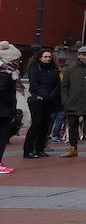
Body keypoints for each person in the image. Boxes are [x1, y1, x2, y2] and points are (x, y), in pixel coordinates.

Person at [23, 48, 59, 158]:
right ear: (40, 57)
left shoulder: (54, 69)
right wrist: (45, 95)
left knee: (45, 125)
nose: (48, 59)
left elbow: (57, 84)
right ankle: (28, 150)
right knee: (36, 123)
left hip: (49, 101)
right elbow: (34, 85)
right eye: (45, 57)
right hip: (36, 100)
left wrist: (51, 96)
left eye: (49, 57)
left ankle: (40, 149)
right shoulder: (34, 68)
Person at [0, 41, 23, 174]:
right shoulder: (5, 73)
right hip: (2, 110)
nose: (19, 62)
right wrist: (10, 104)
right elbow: (2, 90)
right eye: (17, 59)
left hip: (3, 109)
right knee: (2, 137)